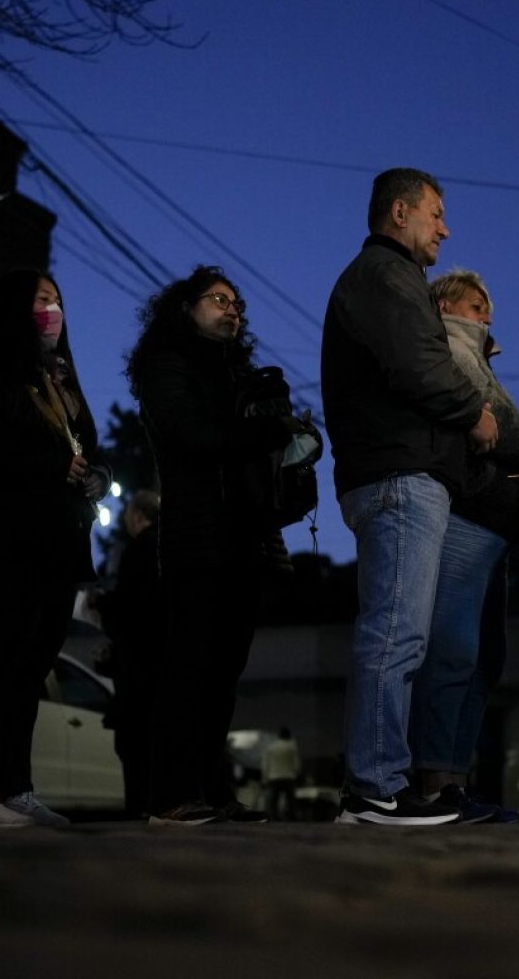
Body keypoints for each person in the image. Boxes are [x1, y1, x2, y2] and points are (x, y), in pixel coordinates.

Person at [321, 168, 498, 826]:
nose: (445, 229)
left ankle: (378, 785)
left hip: (398, 471)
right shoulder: (387, 277)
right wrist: (474, 412)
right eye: (437, 214)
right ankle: (372, 788)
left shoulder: (390, 280)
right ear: (400, 212)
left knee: (400, 635)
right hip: (397, 475)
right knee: (394, 633)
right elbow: (418, 367)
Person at [126, 266, 311, 826]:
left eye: (237, 304)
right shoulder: (166, 364)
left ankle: (213, 790)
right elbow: (194, 436)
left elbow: (251, 446)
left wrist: (291, 439)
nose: (232, 310)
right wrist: (269, 431)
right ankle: (171, 796)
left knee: (224, 671)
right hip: (197, 535)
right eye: (219, 299)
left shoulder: (239, 373)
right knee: (189, 663)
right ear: (185, 308)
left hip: (245, 537)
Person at [409, 269, 519, 822]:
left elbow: (503, 426)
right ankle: (437, 780)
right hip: (468, 514)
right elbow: (499, 422)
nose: (487, 312)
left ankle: (453, 778)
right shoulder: (450, 350)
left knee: (483, 657)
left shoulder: (474, 354)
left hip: (492, 520)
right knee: (455, 649)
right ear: (445, 305)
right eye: (476, 302)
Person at [0, 268, 110, 828]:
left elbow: (90, 444)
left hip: (61, 546)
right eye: (42, 299)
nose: (53, 311)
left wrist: (99, 475)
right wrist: (52, 466)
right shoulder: (7, 378)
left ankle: (15, 788)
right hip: (16, 540)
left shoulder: (64, 380)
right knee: (9, 659)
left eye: (59, 301)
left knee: (35, 662)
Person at [94, 489, 163, 817]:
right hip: (161, 667)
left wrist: (99, 605)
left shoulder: (137, 551)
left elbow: (126, 611)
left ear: (136, 516)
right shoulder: (167, 549)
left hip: (137, 671)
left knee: (134, 748)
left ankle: (139, 812)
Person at [261, 727, 302, 820]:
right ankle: (292, 818)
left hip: (274, 777)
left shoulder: (271, 747)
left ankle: (274, 818)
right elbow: (296, 764)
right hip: (289, 777)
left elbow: (266, 764)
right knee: (291, 801)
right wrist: (297, 774)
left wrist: (264, 779)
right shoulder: (292, 747)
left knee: (273, 802)